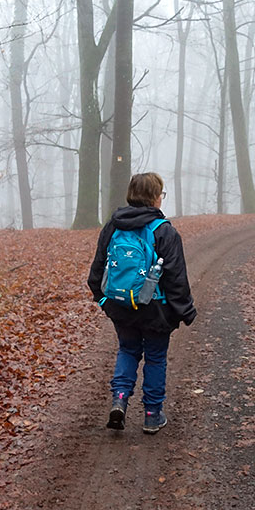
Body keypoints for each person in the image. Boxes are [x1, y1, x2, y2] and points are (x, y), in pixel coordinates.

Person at [88, 173, 196, 434]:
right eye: (161, 193)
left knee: (127, 350)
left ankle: (120, 400)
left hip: (120, 306)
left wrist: (103, 299)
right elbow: (176, 278)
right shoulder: (164, 231)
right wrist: (185, 311)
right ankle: (152, 415)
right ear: (154, 197)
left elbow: (98, 267)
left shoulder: (113, 226)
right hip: (155, 308)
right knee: (155, 359)